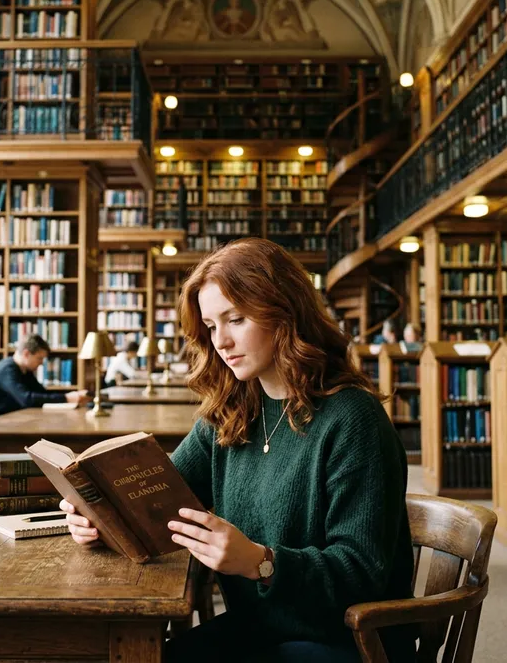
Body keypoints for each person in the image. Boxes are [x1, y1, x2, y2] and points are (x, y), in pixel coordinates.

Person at [60, 239, 417, 662]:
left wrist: (261, 562)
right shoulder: (231, 413)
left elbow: (362, 572)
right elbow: (157, 499)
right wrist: (98, 516)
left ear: (284, 313)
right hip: (263, 626)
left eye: (236, 319)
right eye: (211, 326)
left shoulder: (353, 419)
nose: (221, 341)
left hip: (346, 639)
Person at [0, 334, 87, 416]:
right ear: (26, 354)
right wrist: (66, 398)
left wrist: (71, 395)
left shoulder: (25, 370)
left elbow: (41, 393)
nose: (41, 363)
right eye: (39, 358)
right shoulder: (7, 368)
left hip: (10, 417)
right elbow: (26, 399)